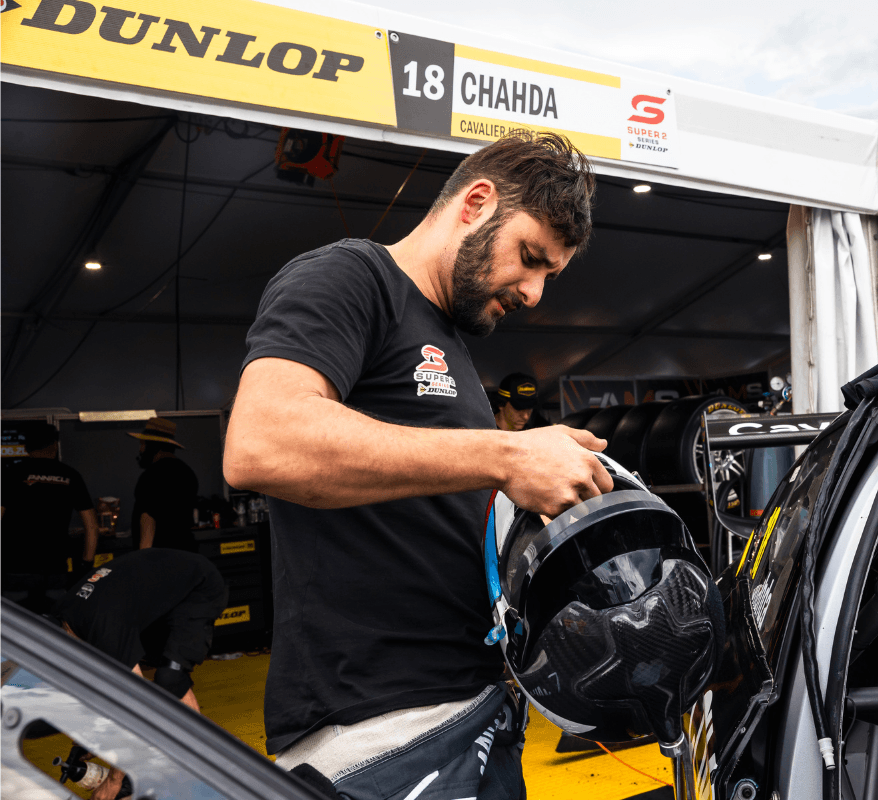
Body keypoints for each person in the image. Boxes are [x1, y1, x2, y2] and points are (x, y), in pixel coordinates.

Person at [223, 131, 613, 800]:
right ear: (476, 203)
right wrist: (509, 453)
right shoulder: (350, 277)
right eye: (530, 257)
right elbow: (262, 442)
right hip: (382, 729)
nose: (536, 292)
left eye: (550, 274)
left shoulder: (451, 343)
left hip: (471, 710)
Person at [52, 548, 228, 800]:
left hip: (198, 586)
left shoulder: (103, 627)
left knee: (170, 680)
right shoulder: (66, 614)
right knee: (145, 680)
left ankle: (205, 773)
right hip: (159, 588)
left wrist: (114, 780)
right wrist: (87, 741)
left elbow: (137, 706)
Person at [1, 422, 100, 612]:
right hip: (55, 569)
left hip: (16, 568)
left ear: (25, 447)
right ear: (55, 445)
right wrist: (86, 564)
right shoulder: (70, 475)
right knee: (55, 626)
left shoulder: (10, 474)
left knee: (15, 628)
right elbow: (92, 526)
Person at [128, 418, 199, 552]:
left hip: (160, 559)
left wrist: (143, 560)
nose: (140, 450)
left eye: (142, 444)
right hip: (186, 553)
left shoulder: (151, 475)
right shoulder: (187, 473)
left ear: (152, 445)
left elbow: (148, 519)